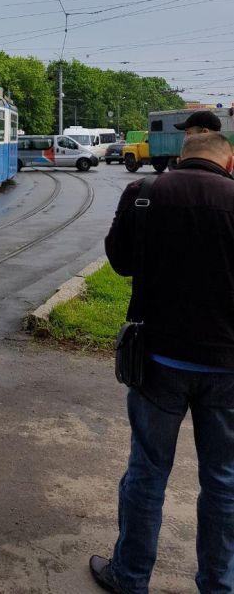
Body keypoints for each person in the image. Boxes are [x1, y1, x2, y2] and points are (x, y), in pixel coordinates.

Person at [91, 131, 234, 593]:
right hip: (228, 366)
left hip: (158, 360)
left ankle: (130, 578)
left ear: (180, 157)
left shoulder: (145, 193)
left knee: (147, 473)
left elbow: (119, 261)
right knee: (224, 482)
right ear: (228, 162)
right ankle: (219, 584)